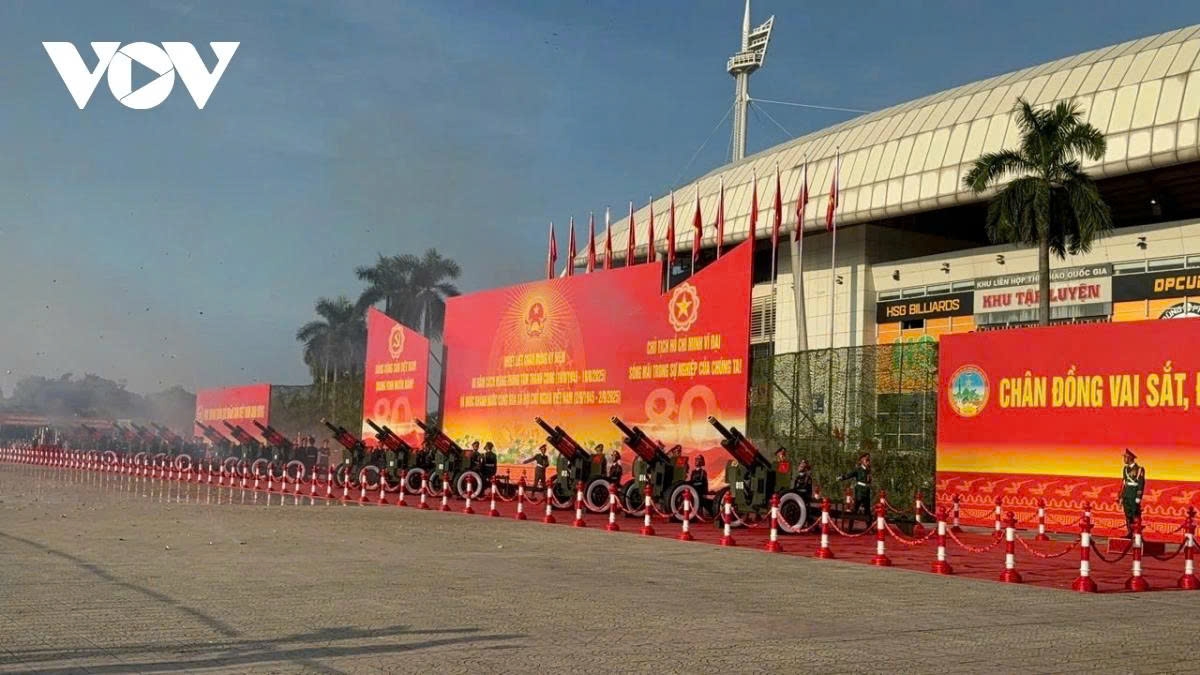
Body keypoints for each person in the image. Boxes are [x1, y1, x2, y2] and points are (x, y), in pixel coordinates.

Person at [838, 453, 872, 532]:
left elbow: (869, 481)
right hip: (860, 491)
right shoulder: (858, 469)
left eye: (868, 460)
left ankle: (869, 528)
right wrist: (842, 477)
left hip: (866, 491)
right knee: (855, 509)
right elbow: (849, 475)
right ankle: (850, 527)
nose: (868, 462)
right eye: (866, 460)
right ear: (862, 461)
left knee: (867, 510)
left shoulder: (868, 470)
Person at [1119, 449, 1145, 539]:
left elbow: (1141, 483)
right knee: (1127, 514)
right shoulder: (1125, 469)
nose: (1124, 459)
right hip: (1126, 493)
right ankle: (1130, 533)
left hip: (1134, 494)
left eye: (1125, 457)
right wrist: (1121, 496)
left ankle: (1137, 533)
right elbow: (1124, 483)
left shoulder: (1139, 469)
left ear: (1130, 458)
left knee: (1135, 514)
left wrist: (1138, 496)